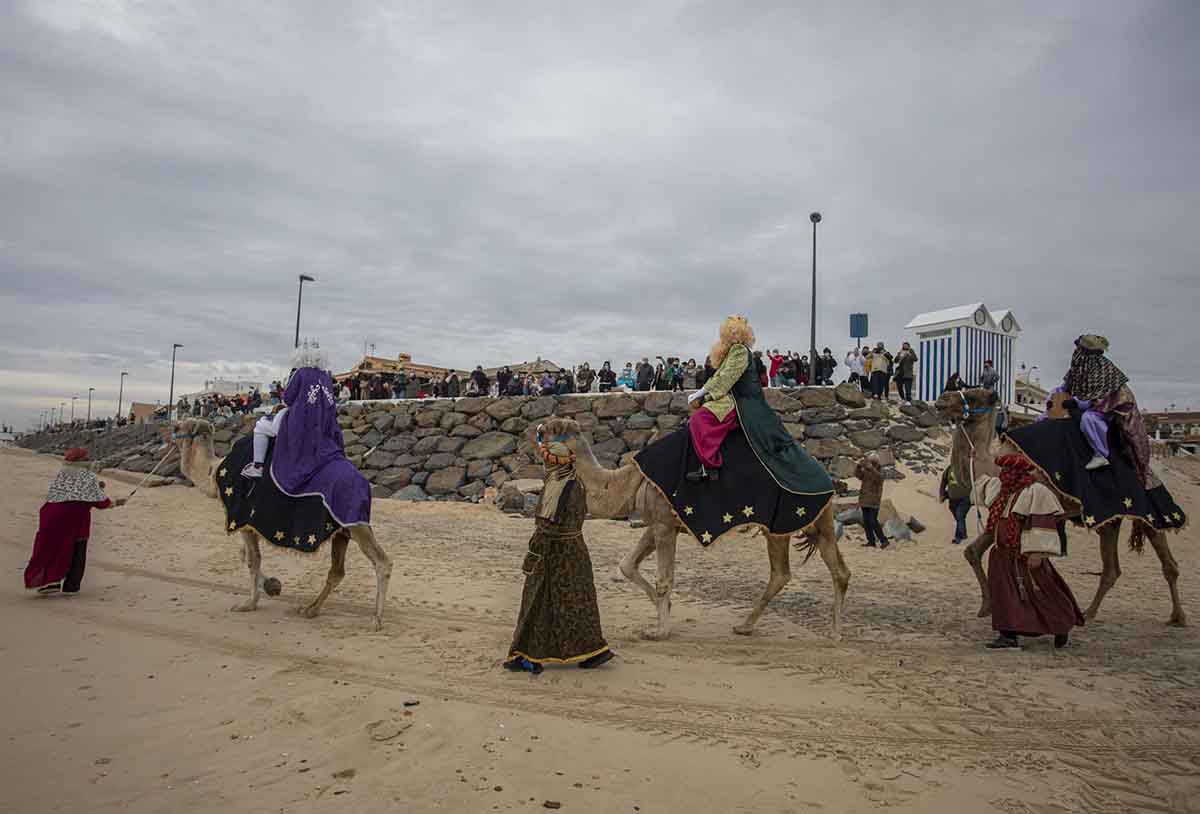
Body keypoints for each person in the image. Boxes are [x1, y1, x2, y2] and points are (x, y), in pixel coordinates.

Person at [504, 419, 614, 674]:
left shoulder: (559, 486)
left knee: (537, 603)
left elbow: (547, 525)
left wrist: (533, 552)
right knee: (579, 603)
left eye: (547, 458)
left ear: (554, 461)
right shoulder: (575, 481)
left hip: (554, 555)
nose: (545, 462)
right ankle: (593, 651)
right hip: (576, 551)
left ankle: (528, 654)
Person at [984, 454, 1083, 649]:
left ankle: (1061, 626)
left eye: (1008, 470)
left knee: (1041, 591)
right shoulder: (1002, 491)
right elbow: (979, 485)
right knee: (1004, 594)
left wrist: (1037, 553)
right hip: (1002, 554)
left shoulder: (1035, 492)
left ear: (1017, 472)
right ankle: (1008, 635)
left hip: (1024, 555)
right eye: (1003, 470)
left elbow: (1042, 523)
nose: (1004, 474)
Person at [24, 448, 127, 594]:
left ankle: (50, 581)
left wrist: (97, 488)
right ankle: (70, 585)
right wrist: (116, 503)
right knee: (77, 551)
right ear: (79, 460)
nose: (88, 460)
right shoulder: (87, 476)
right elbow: (101, 502)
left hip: (50, 515)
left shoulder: (63, 473)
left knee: (50, 548)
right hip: (74, 519)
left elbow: (76, 493)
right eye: (86, 458)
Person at [1059, 335, 1153, 476]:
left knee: (1089, 419)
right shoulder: (1078, 368)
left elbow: (1100, 400)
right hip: (1093, 406)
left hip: (1111, 410)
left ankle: (1100, 454)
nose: (1077, 353)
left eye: (1081, 350)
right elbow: (1065, 387)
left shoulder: (1104, 371)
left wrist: (1077, 402)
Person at [855, 453, 889, 548]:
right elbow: (858, 476)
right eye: (870, 461)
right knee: (866, 522)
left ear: (876, 462)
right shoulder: (867, 470)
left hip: (874, 500)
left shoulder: (880, 470)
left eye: (873, 461)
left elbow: (880, 478)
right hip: (864, 499)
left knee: (873, 521)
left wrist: (871, 469)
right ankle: (871, 541)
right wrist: (858, 466)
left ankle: (883, 540)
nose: (871, 463)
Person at [939, 465, 973, 545]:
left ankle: (962, 536)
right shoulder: (949, 468)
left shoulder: (967, 466)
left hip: (965, 497)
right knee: (958, 517)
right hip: (953, 498)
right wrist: (942, 494)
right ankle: (959, 537)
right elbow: (944, 481)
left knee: (960, 514)